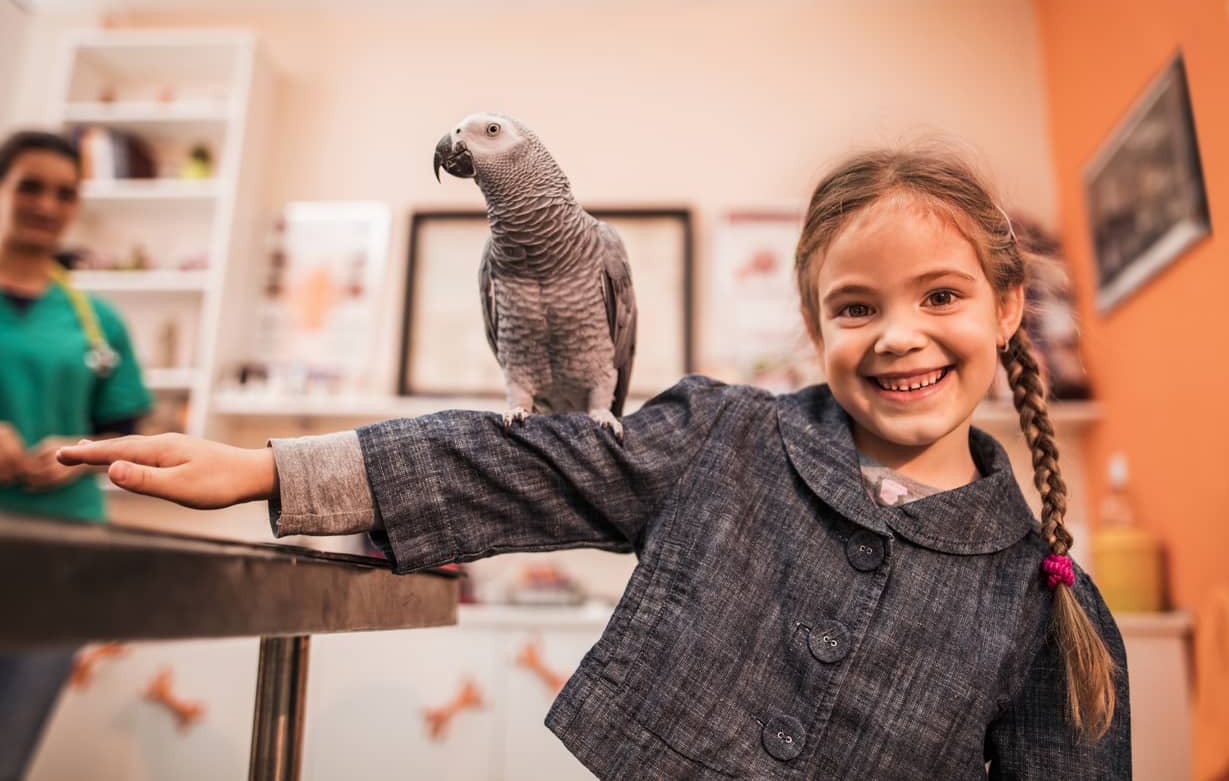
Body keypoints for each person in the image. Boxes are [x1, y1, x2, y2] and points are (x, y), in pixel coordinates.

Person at [59, 146, 1131, 778]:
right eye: (855, 306)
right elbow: (502, 461)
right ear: (814, 327)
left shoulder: (1049, 605)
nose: (897, 335)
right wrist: (264, 471)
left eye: (938, 295)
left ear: (1004, 307)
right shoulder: (718, 438)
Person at [0, 129, 153, 781]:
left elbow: (122, 428)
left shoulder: (98, 321)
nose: (47, 204)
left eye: (66, 192)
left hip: (62, 553)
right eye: (29, 185)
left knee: (10, 747)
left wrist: (73, 453)